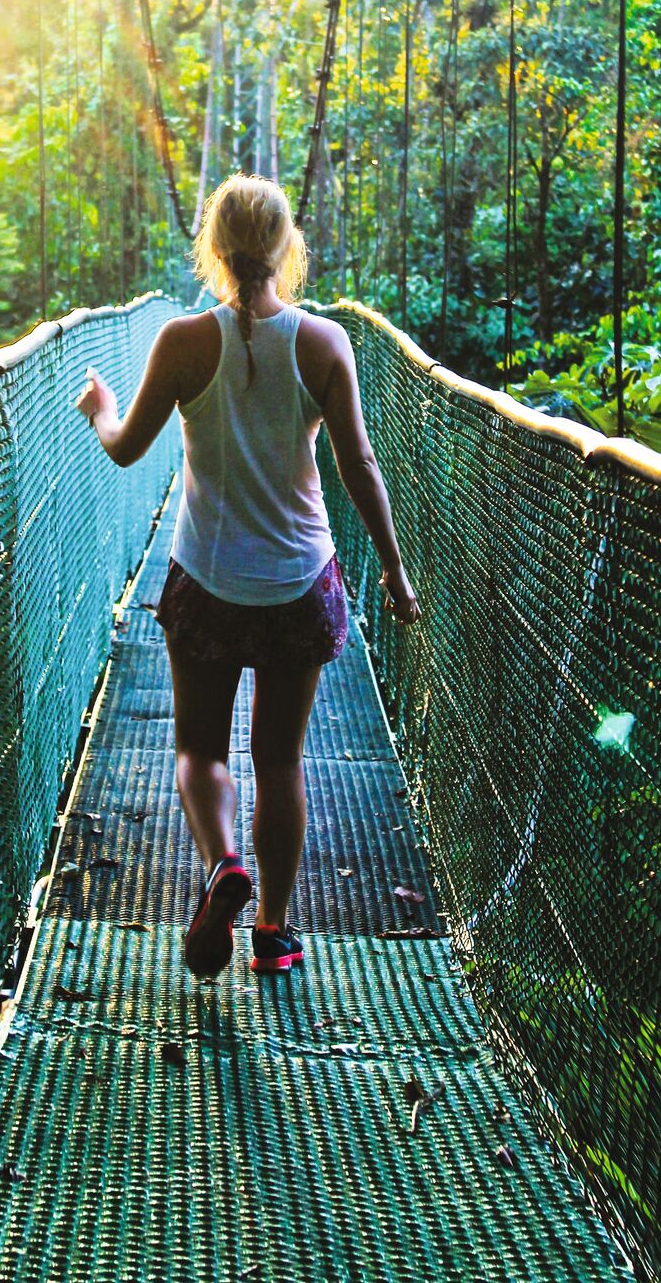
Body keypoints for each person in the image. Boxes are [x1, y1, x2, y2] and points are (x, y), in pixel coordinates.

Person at [74, 172, 421, 980]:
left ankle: (224, 862)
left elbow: (125, 447)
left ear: (215, 248)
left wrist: (99, 409)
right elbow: (358, 465)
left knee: (199, 749)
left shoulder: (183, 342)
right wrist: (396, 572)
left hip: (206, 577)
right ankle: (272, 930)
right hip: (299, 580)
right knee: (281, 762)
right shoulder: (325, 343)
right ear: (284, 245)